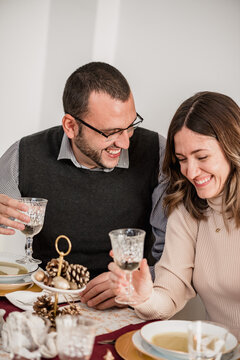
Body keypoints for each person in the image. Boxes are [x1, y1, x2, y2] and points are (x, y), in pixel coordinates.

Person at [0, 61, 167, 309]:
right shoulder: (23, 155)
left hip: (128, 302)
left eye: (131, 126)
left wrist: (139, 281)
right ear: (71, 126)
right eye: (110, 132)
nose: (125, 143)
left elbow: (174, 255)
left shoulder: (158, 153)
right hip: (45, 299)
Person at [108, 91, 240, 338]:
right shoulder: (188, 207)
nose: (191, 171)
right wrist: (143, 296)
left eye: (202, 157)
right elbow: (169, 294)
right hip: (213, 350)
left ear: (233, 147)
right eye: (181, 159)